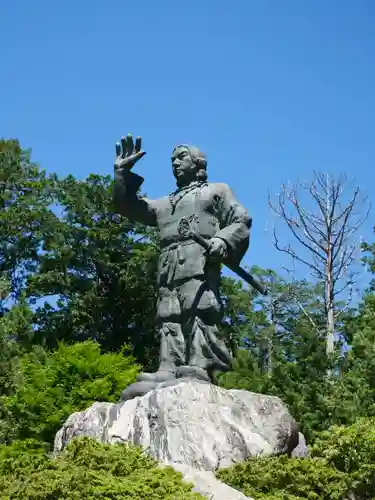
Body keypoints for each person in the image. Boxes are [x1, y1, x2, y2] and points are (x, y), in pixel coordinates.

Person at [113, 134, 251, 385]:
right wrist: (122, 175)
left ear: (198, 163)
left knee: (197, 308)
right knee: (168, 313)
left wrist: (221, 240)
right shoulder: (165, 204)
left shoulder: (216, 191)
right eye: (172, 160)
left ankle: (201, 360)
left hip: (199, 261)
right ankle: (169, 364)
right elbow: (130, 207)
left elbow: (240, 220)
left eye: (181, 157)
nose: (175, 163)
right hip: (169, 266)